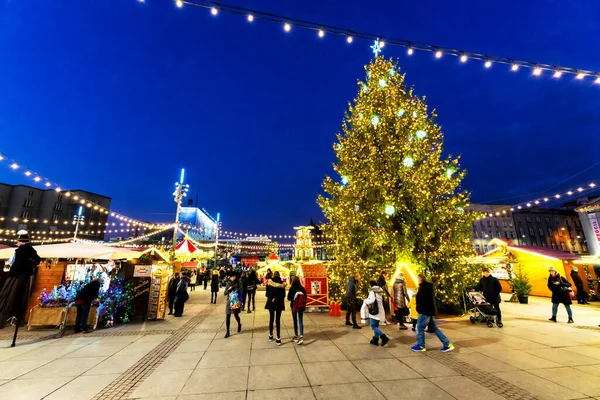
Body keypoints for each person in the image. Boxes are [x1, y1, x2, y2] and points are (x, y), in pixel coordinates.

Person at [0, 231, 40, 329]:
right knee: (20, 296)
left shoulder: (20, 250)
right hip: (25, 275)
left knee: (9, 294)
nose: (17, 244)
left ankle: (5, 318)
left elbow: (12, 261)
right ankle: (18, 318)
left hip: (17, 275)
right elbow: (37, 259)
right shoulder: (30, 249)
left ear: (20, 242)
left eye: (18, 242)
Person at [411, 274, 454, 353]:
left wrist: (419, 309)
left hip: (424, 312)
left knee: (420, 327)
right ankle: (447, 344)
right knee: (434, 328)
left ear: (420, 280)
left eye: (418, 279)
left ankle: (421, 345)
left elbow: (422, 301)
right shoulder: (428, 287)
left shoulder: (422, 288)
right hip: (430, 311)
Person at [365, 280, 390, 346]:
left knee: (373, 326)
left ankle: (384, 337)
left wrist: (365, 301)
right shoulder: (379, 290)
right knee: (376, 326)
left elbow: (371, 300)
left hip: (375, 311)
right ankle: (375, 340)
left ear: (371, 285)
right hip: (380, 310)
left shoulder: (372, 291)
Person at [265, 271, 286, 345]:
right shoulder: (282, 284)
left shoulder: (269, 283)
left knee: (271, 319)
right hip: (279, 303)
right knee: (278, 320)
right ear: (279, 276)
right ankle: (278, 338)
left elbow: (267, 294)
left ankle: (270, 335)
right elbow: (284, 295)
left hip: (271, 302)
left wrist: (272, 296)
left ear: (273, 276)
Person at [288, 276, 307, 344]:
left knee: (295, 320)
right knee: (300, 320)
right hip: (301, 307)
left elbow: (288, 298)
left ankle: (296, 335)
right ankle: (301, 335)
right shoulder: (302, 288)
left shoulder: (292, 288)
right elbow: (306, 297)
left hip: (294, 306)